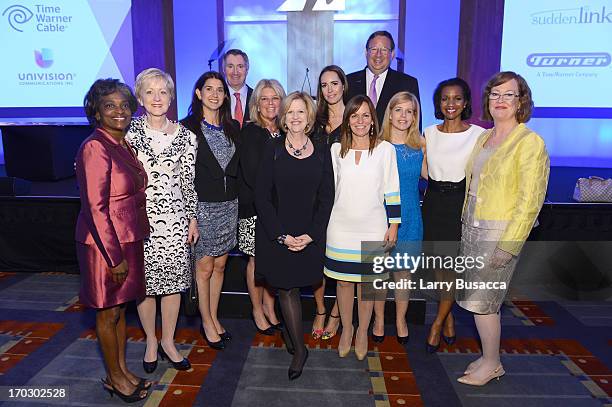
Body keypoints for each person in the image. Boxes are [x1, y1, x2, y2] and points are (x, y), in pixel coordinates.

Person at [456, 71, 549, 386]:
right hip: (473, 227)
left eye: (509, 94)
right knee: (476, 299)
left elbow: (530, 201)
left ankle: (493, 363)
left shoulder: (530, 142)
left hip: (499, 233)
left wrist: (508, 244)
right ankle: (487, 355)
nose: (500, 101)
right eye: (495, 94)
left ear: (521, 100)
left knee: (485, 302)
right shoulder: (485, 136)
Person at [76, 78, 150, 402]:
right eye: (110, 106)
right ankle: (115, 378)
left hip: (126, 240)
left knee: (119, 310)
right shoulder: (95, 147)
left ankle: (120, 370)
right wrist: (113, 256)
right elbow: (96, 208)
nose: (119, 111)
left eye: (123, 105)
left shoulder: (121, 144)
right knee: (107, 313)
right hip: (104, 247)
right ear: (96, 112)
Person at [255, 91, 334, 380]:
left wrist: (312, 235)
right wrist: (281, 235)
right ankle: (300, 349)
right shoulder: (272, 148)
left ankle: (291, 337)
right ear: (284, 117)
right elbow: (261, 197)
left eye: (302, 111)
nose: (296, 117)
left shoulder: (323, 150)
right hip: (277, 232)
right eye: (291, 112)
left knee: (296, 286)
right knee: (285, 287)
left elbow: (327, 197)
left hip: (310, 232)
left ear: (309, 116)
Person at [126, 68, 198, 373]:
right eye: (150, 91)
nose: (157, 98)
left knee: (172, 285)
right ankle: (151, 341)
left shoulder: (186, 137)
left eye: (163, 92)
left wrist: (193, 218)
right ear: (140, 97)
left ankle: (168, 340)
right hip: (138, 223)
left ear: (171, 97)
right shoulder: (128, 134)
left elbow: (188, 183)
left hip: (175, 221)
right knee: (145, 286)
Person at [324, 95, 401, 360]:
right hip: (340, 227)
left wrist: (394, 224)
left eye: (365, 115)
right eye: (354, 115)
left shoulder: (385, 149)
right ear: (347, 120)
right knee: (344, 284)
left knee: (367, 285)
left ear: (372, 120)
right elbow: (330, 192)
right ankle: (347, 329)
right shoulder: (336, 150)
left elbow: (392, 189)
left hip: (373, 227)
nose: (359, 120)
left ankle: (362, 332)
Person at [422, 77, 485, 353]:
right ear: (438, 102)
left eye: (457, 98)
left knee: (451, 269)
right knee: (439, 267)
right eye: (445, 98)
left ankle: (437, 323)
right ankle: (448, 319)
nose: (451, 103)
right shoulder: (429, 133)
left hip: (460, 203)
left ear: (466, 102)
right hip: (434, 202)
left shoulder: (478, 135)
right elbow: (425, 171)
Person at [181, 71, 241, 350]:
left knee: (220, 266)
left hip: (229, 207)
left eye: (220, 89)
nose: (215, 94)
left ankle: (214, 317)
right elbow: (184, 176)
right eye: (209, 89)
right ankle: (206, 322)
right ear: (198, 93)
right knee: (204, 267)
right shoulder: (187, 128)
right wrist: (191, 214)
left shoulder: (233, 128)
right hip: (201, 208)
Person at [374, 91, 425, 344]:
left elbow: (435, 175)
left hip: (411, 217)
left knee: (403, 275)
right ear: (390, 114)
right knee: (381, 273)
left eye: (410, 111)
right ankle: (380, 320)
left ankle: (401, 319)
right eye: (399, 110)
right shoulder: (377, 144)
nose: (404, 116)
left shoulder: (421, 145)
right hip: (380, 216)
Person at [238, 79, 286, 335]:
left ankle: (270, 307)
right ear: (256, 104)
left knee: (274, 261)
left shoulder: (287, 132)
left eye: (275, 98)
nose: (270, 103)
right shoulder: (251, 132)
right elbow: (254, 174)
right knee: (257, 261)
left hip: (281, 210)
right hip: (256, 210)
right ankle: (257, 310)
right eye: (264, 99)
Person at [309, 65, 348, 340]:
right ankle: (321, 309)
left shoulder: (357, 116)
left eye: (334, 83)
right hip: (317, 197)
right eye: (324, 85)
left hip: (348, 196)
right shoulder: (315, 118)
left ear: (343, 85)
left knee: (343, 260)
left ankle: (336, 313)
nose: (330, 89)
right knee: (318, 258)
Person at [345, 30, 420, 128]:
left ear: (392, 54)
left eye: (384, 50)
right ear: (366, 52)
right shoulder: (348, 81)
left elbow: (415, 125)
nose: (378, 55)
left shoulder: (408, 84)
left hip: (392, 143)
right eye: (374, 49)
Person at [223, 49, 252, 127]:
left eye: (240, 66)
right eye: (230, 66)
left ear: (247, 69)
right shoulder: (217, 98)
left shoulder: (257, 97)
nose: (235, 72)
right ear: (224, 70)